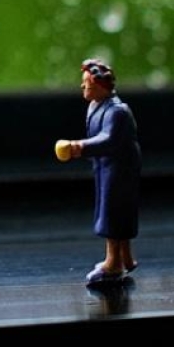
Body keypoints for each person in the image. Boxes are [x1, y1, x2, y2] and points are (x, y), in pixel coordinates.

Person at [56, 59, 142, 284]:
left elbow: (108, 140)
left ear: (101, 85)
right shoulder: (96, 106)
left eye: (87, 83)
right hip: (106, 166)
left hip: (119, 168)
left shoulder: (117, 112)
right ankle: (126, 258)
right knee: (114, 211)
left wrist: (78, 147)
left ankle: (113, 264)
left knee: (113, 214)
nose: (83, 87)